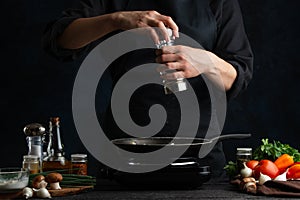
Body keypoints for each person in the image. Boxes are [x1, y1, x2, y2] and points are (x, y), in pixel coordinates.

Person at [42, 0, 253, 182]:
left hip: (200, 156)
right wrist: (116, 19)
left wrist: (207, 62)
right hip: (125, 154)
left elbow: (239, 74)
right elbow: (59, 40)